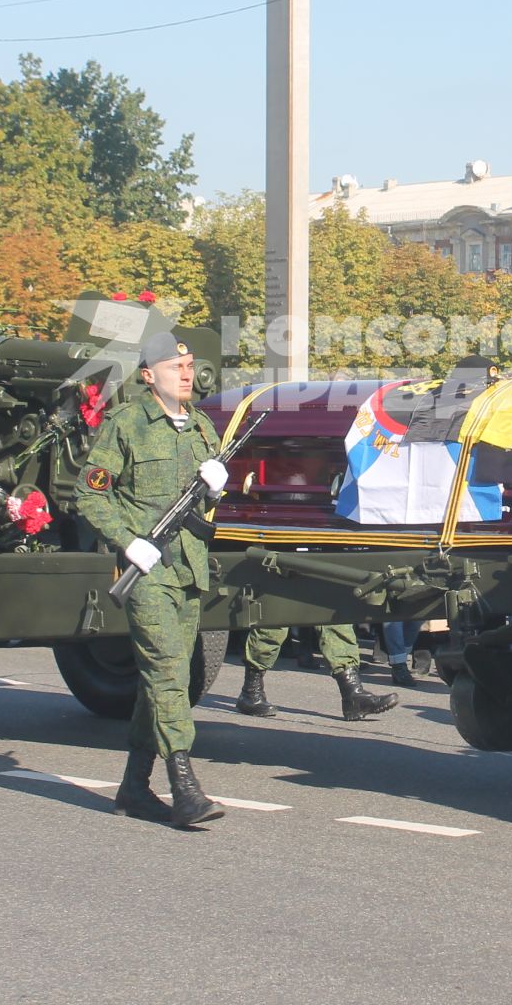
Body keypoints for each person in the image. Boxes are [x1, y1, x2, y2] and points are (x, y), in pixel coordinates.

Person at [75, 333, 227, 829]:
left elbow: (205, 511)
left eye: (188, 364)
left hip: (189, 568)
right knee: (166, 673)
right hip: (147, 570)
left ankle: (134, 786)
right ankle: (184, 785)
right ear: (147, 375)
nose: (186, 373)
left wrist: (215, 490)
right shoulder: (128, 424)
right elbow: (91, 495)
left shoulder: (203, 427)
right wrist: (126, 540)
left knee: (168, 679)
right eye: (173, 366)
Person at [234, 621, 397, 721]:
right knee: (274, 623)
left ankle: (353, 695)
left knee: (334, 619)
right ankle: (250, 692)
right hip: (281, 572)